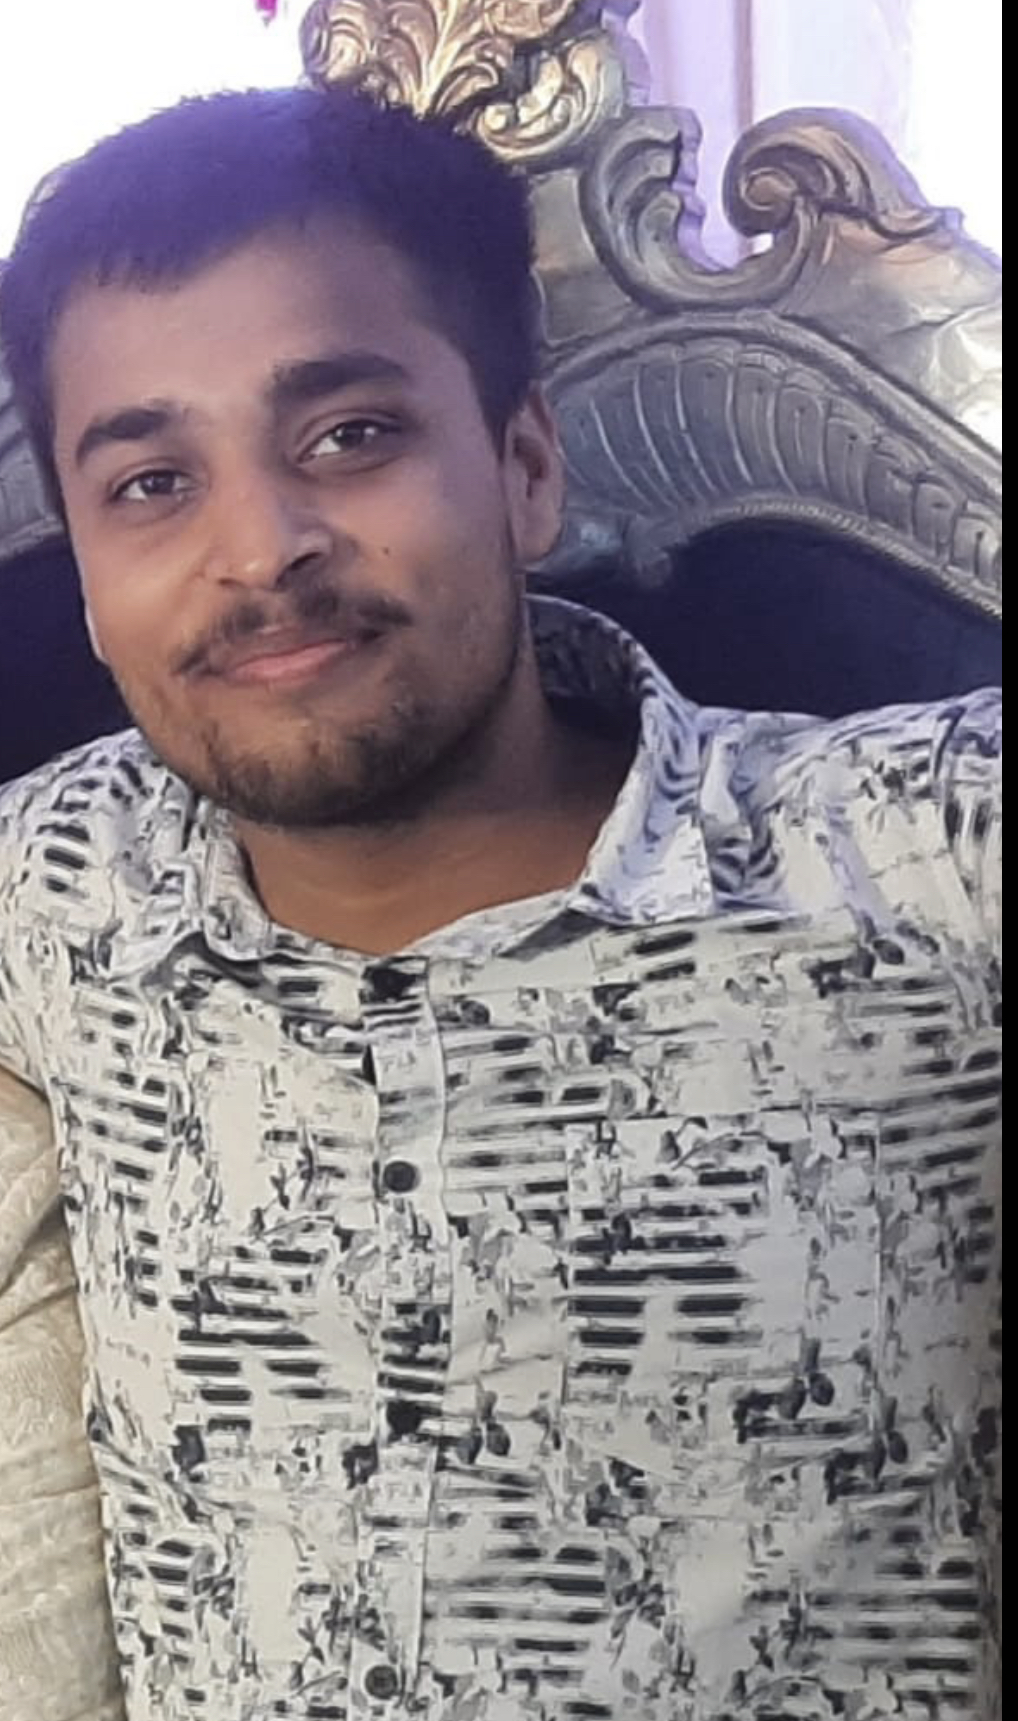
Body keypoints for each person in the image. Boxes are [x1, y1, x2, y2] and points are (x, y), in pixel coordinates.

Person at [0, 86, 1001, 1721]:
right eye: (153, 483)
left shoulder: (918, 848)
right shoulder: (61, 883)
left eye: (348, 435)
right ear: (92, 588)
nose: (260, 549)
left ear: (523, 467)